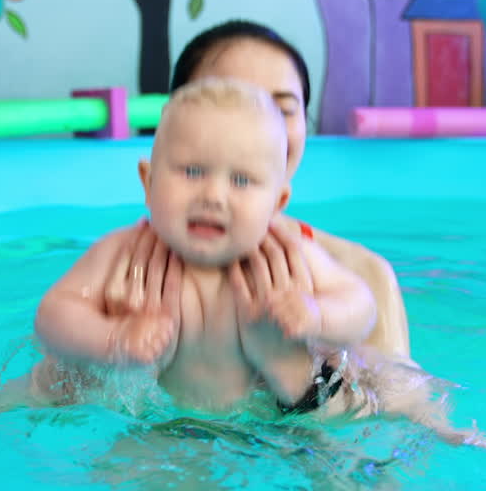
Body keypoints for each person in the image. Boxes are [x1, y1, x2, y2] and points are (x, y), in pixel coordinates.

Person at [33, 77, 380, 411]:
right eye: (193, 172)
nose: (213, 196)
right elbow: (54, 313)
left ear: (277, 204)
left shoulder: (290, 258)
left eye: (241, 180)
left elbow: (361, 304)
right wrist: (115, 338)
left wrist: (317, 314)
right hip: (158, 435)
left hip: (265, 431)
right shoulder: (123, 251)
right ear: (148, 182)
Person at [103, 20, 411, 357]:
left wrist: (298, 376)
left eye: (281, 109)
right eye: (229, 103)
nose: (257, 127)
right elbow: (45, 399)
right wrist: (109, 344)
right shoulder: (120, 268)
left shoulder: (361, 275)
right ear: (172, 122)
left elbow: (410, 405)